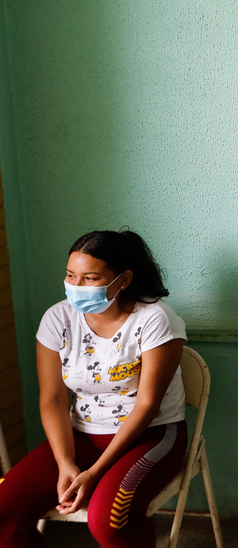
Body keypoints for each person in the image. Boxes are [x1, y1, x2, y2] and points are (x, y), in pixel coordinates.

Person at [0, 230, 188, 548]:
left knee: (109, 522)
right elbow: (53, 398)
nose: (75, 286)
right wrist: (66, 464)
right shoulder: (57, 318)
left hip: (151, 435)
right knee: (5, 511)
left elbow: (146, 405)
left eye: (89, 278)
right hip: (81, 436)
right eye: (70, 275)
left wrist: (94, 472)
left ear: (124, 279)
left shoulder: (155, 320)